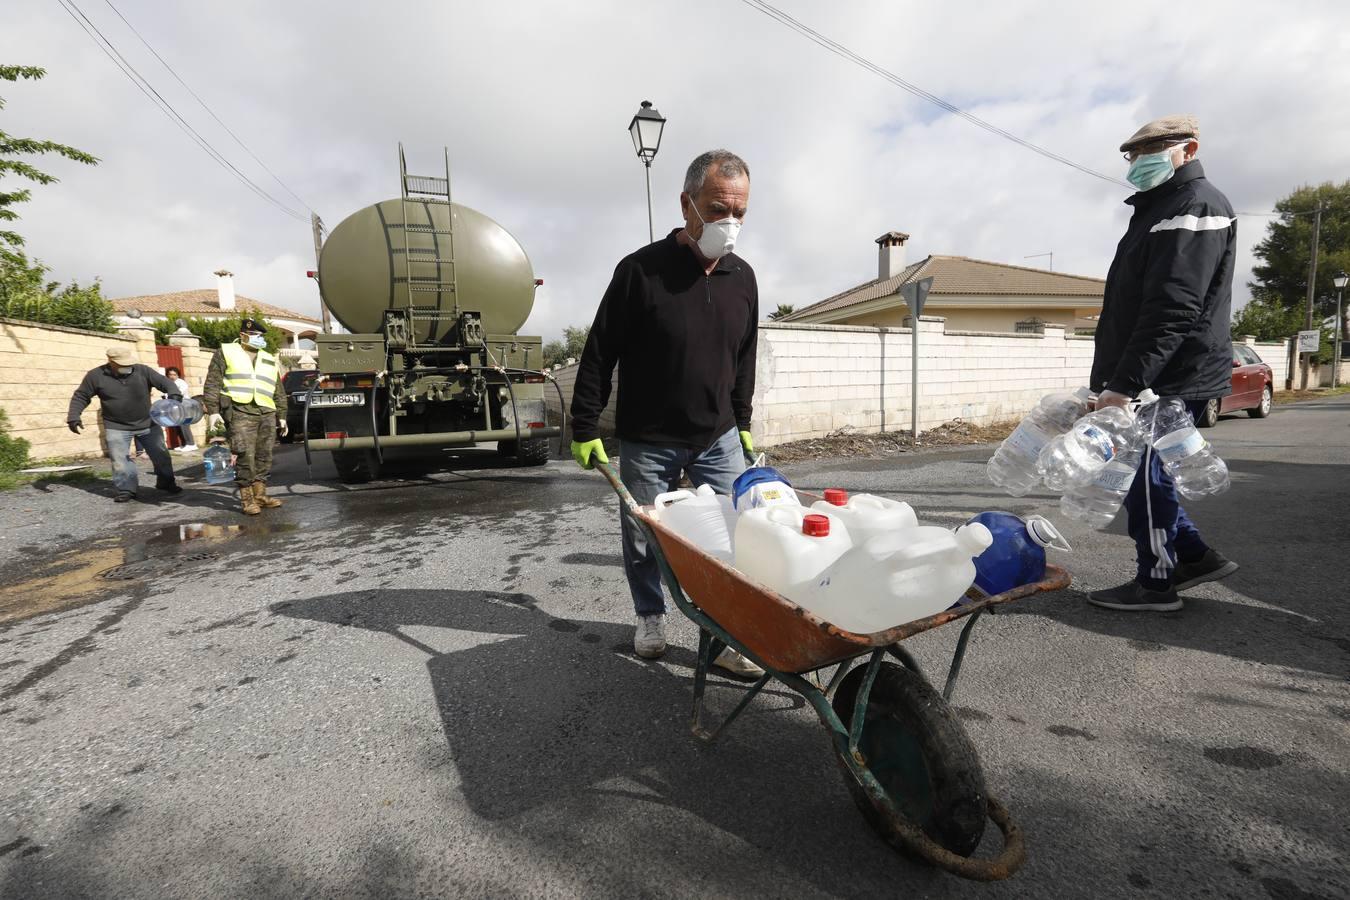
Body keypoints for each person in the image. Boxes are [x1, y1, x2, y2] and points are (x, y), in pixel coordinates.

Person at [570, 150, 762, 677]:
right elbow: (599, 351)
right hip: (649, 437)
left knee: (728, 539)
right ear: (687, 204)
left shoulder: (743, 278)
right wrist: (584, 426)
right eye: (718, 208)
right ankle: (650, 616)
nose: (729, 222)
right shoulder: (639, 271)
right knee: (644, 536)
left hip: (717, 437)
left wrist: (741, 422)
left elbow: (744, 357)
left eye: (739, 212)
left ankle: (722, 635)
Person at [1087, 114, 1239, 612]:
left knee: (1143, 477)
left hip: (1171, 375)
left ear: (1188, 150)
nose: (1137, 162)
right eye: (1132, 154)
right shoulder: (1161, 207)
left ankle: (1155, 583)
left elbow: (1173, 307)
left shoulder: (1195, 206)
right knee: (1152, 474)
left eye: (1150, 151)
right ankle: (1195, 556)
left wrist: (1126, 383)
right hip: (1158, 373)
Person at [67, 346, 184, 503]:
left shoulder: (143, 371)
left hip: (147, 423)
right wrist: (74, 416)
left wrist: (174, 394)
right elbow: (81, 395)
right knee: (120, 460)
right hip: (116, 425)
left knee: (161, 454)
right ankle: (126, 489)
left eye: (128, 363)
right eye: (122, 364)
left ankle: (166, 482)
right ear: (111, 362)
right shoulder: (96, 376)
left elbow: (164, 382)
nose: (127, 367)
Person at [202, 318, 288, 516]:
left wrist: (282, 415)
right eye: (256, 336)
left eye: (261, 336)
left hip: (266, 411)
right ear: (243, 335)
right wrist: (213, 411)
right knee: (244, 455)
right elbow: (213, 383)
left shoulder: (267, 357)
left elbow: (278, 389)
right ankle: (247, 499)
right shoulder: (226, 352)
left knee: (264, 455)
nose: (259, 339)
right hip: (240, 411)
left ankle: (260, 495)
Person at [164, 366, 199, 452]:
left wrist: (167, 396)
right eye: (170, 374)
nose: (172, 376)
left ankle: (191, 444)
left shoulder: (181, 383)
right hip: (175, 408)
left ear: (178, 375)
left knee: (184, 425)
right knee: (178, 426)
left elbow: (178, 394)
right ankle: (184, 444)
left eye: (174, 375)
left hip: (184, 407)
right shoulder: (168, 383)